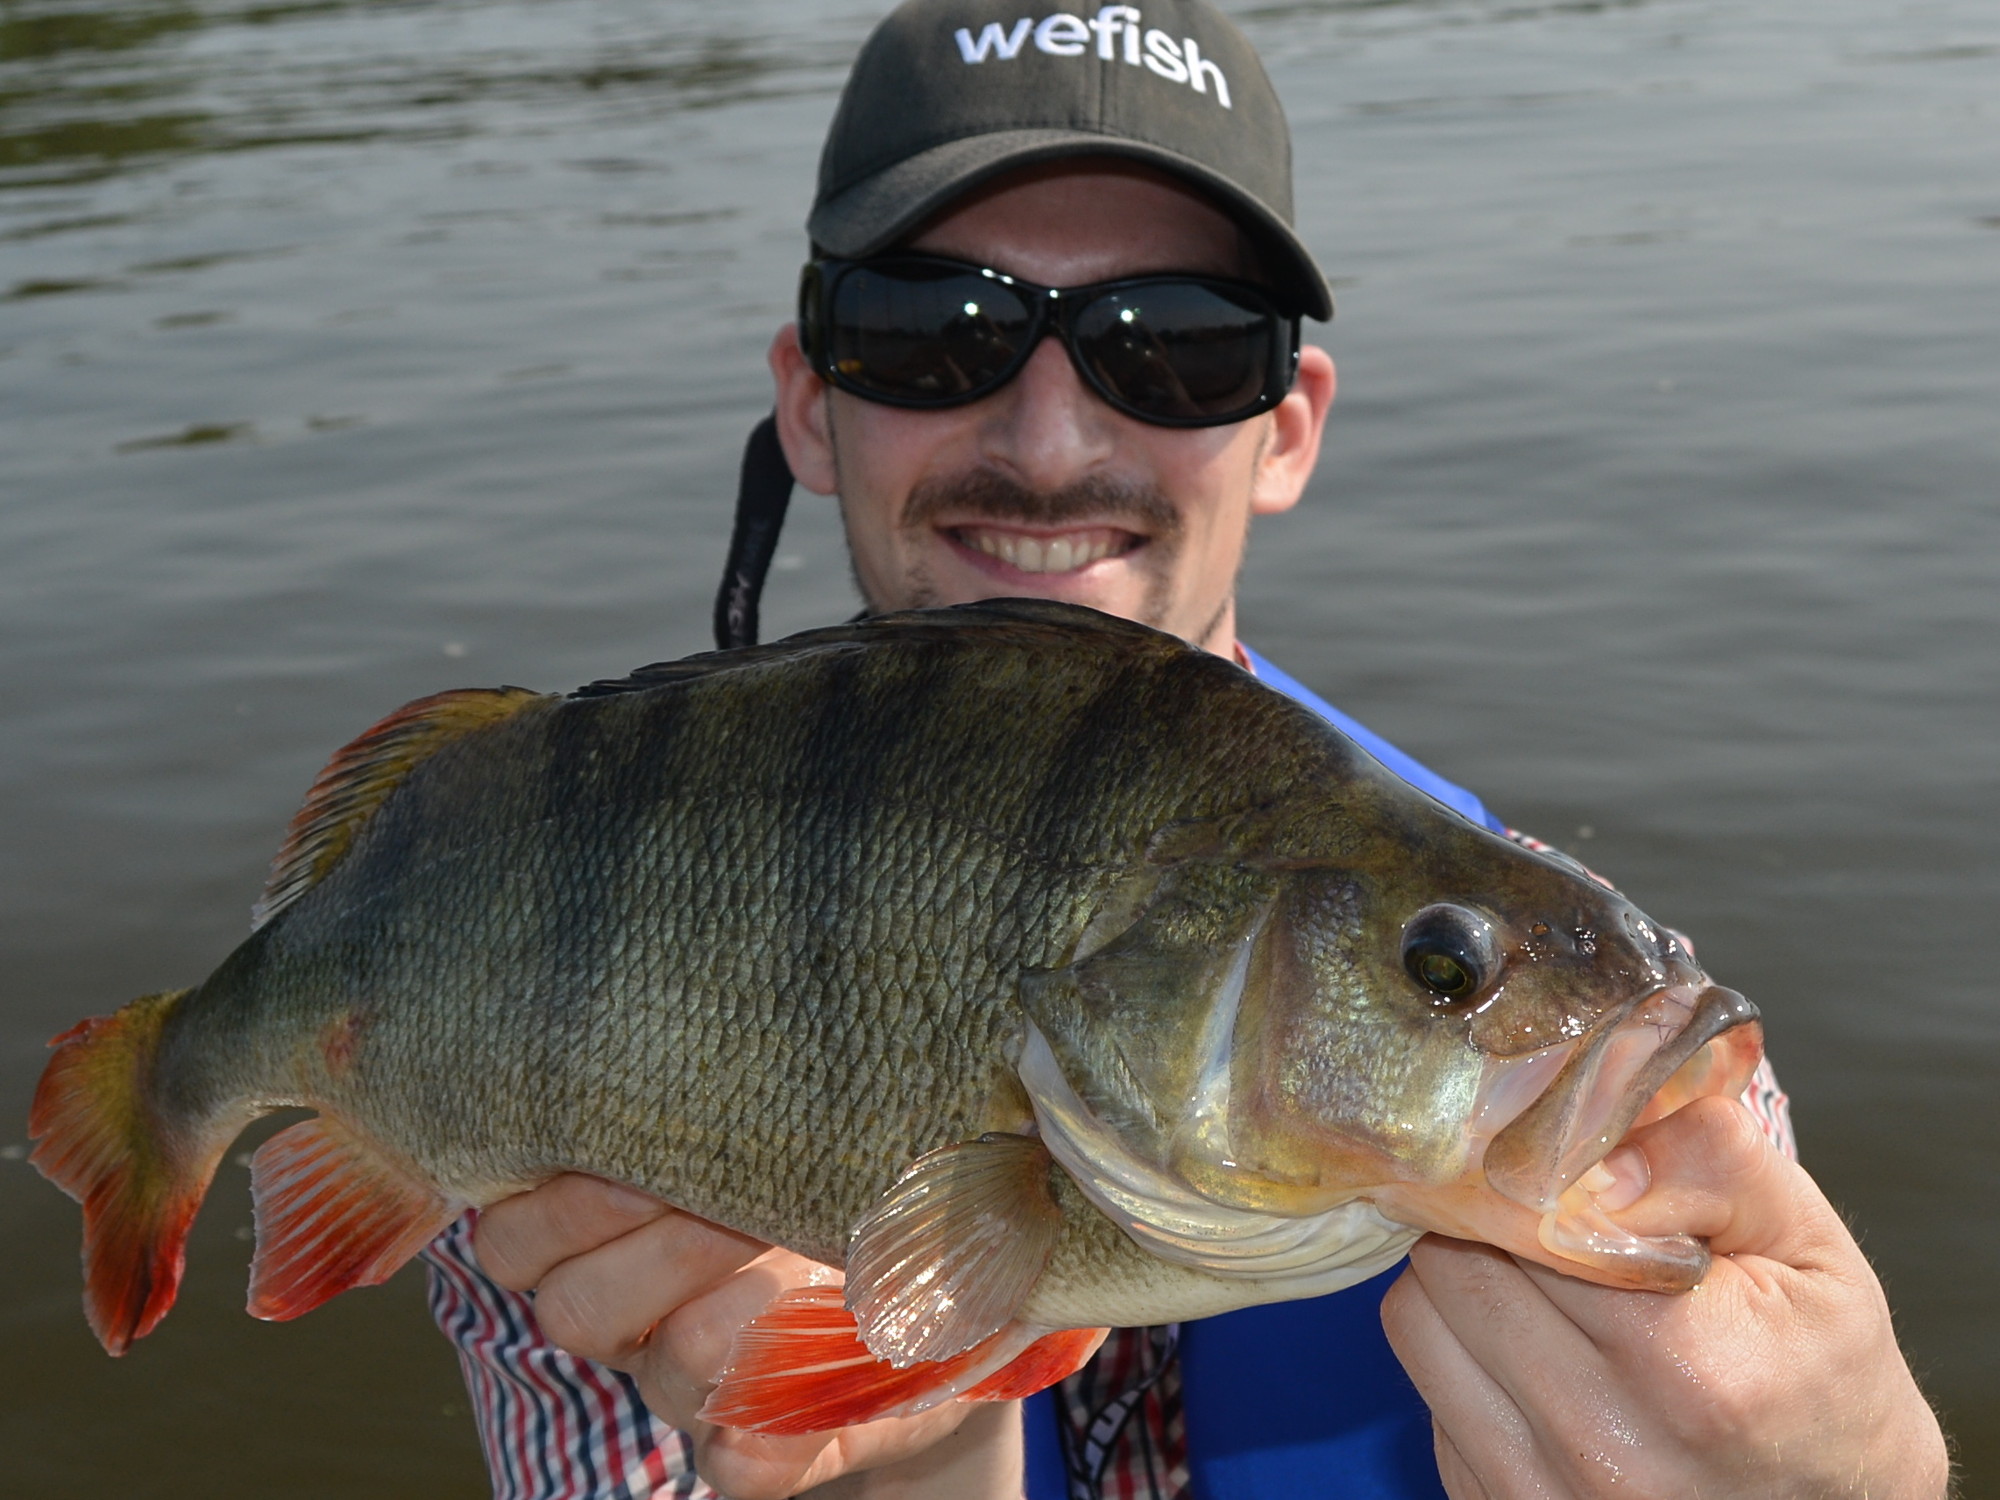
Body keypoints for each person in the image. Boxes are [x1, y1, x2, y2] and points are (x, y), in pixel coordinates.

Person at [421, 2, 1949, 1496]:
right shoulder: (534, 973)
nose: (1050, 440)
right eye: (931, 328)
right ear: (812, 405)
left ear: (1287, 427)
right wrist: (915, 1462)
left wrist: (1865, 1482)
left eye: (1178, 346)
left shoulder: (1578, 1013)